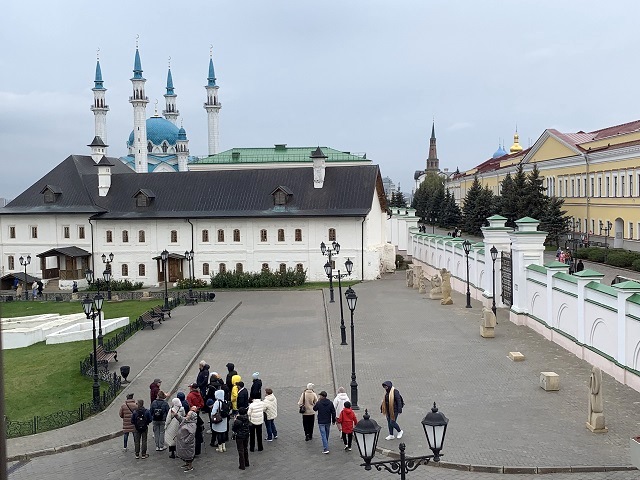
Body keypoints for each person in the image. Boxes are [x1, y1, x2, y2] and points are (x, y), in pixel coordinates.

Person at [174, 408, 198, 472]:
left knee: (188, 454)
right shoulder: (186, 420)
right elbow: (181, 418)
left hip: (187, 444)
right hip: (182, 442)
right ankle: (186, 464)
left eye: (188, 415)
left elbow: (192, 434)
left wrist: (186, 441)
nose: (186, 416)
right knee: (184, 453)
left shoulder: (192, 425)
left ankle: (190, 466)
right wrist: (176, 415)